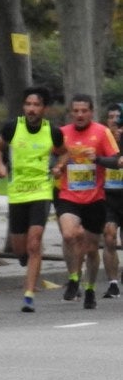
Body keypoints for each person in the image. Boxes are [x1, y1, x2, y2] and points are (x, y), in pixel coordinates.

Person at [0, 86, 65, 313]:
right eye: (29, 105)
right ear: (24, 106)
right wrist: (0, 165)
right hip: (17, 192)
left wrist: (60, 166)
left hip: (41, 191)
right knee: (19, 248)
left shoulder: (52, 131)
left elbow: (64, 151)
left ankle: (29, 294)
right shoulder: (13, 127)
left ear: (44, 109)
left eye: (37, 105)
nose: (32, 109)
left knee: (35, 243)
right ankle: (24, 259)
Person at [47, 94, 120, 310]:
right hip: (68, 195)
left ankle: (89, 289)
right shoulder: (62, 133)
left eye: (84, 111)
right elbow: (51, 158)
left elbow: (116, 161)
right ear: (70, 113)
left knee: (90, 248)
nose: (79, 115)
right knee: (70, 234)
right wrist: (57, 167)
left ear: (91, 112)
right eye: (75, 111)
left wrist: (96, 158)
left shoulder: (102, 132)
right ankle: (73, 278)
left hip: (95, 198)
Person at [102, 103, 123, 298]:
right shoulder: (101, 139)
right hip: (109, 196)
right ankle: (113, 283)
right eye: (111, 117)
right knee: (109, 236)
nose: (115, 121)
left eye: (118, 117)